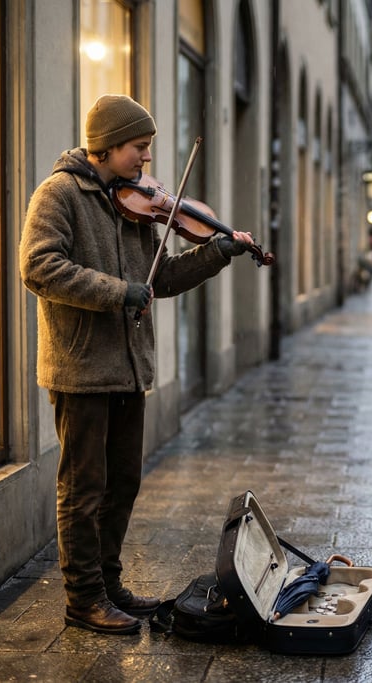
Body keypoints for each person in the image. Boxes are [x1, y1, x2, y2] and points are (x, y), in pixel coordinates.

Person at [19, 94, 255, 635]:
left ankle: (109, 584)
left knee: (122, 483)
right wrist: (117, 292)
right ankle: (83, 599)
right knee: (83, 489)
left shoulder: (136, 202)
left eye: (147, 149)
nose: (146, 161)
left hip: (129, 369)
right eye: (138, 149)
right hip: (81, 369)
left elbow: (162, 278)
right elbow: (38, 267)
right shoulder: (59, 194)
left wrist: (220, 250)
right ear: (105, 147)